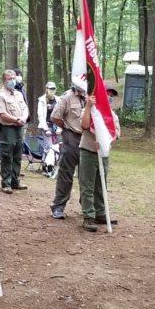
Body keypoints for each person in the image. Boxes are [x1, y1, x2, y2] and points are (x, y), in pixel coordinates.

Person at [78, 87, 121, 232]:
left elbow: (116, 133)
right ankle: (88, 215)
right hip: (88, 151)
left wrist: (105, 141)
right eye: (106, 94)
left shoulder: (112, 115)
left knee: (100, 185)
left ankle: (101, 212)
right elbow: (84, 125)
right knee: (87, 185)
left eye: (111, 96)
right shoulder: (90, 110)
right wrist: (89, 106)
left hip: (103, 153)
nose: (109, 97)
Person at [49, 85, 86, 219]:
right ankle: (58, 206)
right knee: (66, 173)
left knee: (87, 176)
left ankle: (88, 207)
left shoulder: (90, 96)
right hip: (71, 137)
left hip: (87, 138)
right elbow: (55, 117)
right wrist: (67, 127)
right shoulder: (67, 97)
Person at [0, 69, 29, 194]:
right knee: (7, 155)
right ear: (4, 81)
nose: (12, 80)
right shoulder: (0, 95)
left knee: (18, 155)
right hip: (7, 128)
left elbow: (25, 108)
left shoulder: (19, 94)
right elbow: (2, 114)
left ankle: (16, 180)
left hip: (19, 128)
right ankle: (6, 183)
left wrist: (23, 118)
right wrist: (16, 120)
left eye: (14, 78)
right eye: (9, 78)